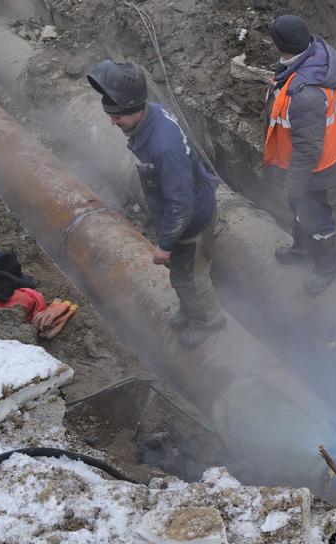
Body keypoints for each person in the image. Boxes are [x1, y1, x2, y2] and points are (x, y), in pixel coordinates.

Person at [88, 60, 225, 348]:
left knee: (191, 276)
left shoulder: (164, 147)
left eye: (117, 117)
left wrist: (164, 244)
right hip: (183, 210)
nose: (113, 122)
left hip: (192, 219)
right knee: (181, 272)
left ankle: (209, 320)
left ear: (134, 109)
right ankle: (190, 310)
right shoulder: (153, 115)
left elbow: (181, 203)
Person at [263, 14, 336, 295]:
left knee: (317, 216)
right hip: (304, 161)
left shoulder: (305, 95)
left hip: (315, 166)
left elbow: (308, 148)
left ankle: (327, 266)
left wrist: (295, 183)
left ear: (281, 45)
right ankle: (302, 248)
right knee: (300, 207)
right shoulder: (307, 55)